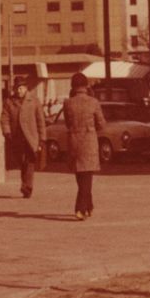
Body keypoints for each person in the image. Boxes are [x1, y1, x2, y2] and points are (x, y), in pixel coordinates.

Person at [63, 72, 106, 220]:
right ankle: (80, 209)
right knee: (87, 177)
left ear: (73, 86)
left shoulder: (68, 103)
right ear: (86, 85)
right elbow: (101, 124)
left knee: (80, 176)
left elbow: (68, 123)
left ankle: (89, 205)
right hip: (89, 142)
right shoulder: (93, 102)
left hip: (74, 142)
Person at [1, 75, 46, 198]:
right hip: (17, 137)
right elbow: (4, 118)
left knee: (30, 161)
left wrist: (42, 138)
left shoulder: (34, 100)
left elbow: (40, 120)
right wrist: (7, 132)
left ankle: (28, 186)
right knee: (21, 162)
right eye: (17, 88)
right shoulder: (9, 102)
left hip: (31, 137)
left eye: (21, 88)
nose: (19, 91)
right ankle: (25, 183)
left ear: (26, 88)